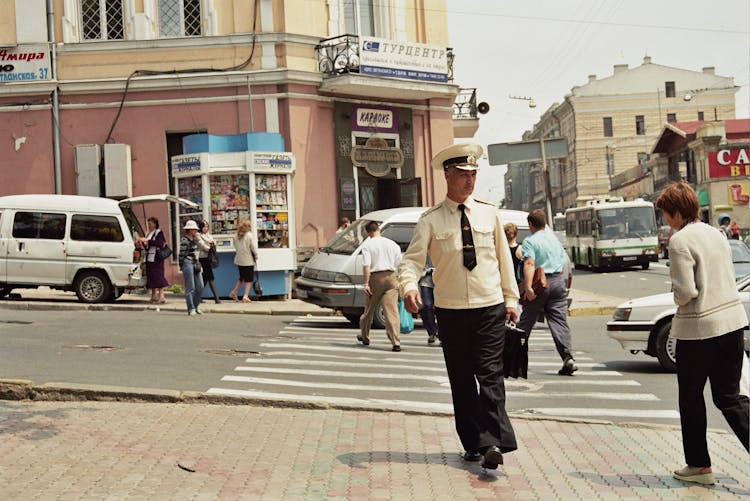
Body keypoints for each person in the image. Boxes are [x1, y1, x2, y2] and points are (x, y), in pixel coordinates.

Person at [398, 142, 520, 471]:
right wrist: (409, 287)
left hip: (489, 306)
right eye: (463, 174)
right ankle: (472, 443)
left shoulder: (489, 213)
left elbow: (504, 259)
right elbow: (410, 263)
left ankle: (492, 442)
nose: (470, 180)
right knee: (462, 379)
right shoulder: (431, 221)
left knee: (491, 375)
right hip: (451, 312)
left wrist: (512, 299)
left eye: (474, 174)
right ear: (447, 175)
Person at [655, 181, 749, 485]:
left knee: (691, 397)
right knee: (730, 397)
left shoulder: (679, 241)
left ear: (676, 212)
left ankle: (699, 465)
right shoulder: (717, 234)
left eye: (666, 214)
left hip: (699, 331)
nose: (666, 221)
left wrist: (675, 295)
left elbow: (686, 292)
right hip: (732, 323)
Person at [517, 209, 577, 376]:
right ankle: (568, 357)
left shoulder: (530, 241)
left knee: (525, 324)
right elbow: (564, 261)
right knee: (559, 321)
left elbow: (529, 263)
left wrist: (528, 287)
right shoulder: (555, 240)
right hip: (558, 282)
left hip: (539, 284)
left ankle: (514, 360)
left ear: (530, 224)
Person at [357, 221, 402, 351]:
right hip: (392, 277)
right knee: (391, 311)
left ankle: (365, 336)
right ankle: (396, 341)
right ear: (379, 229)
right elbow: (399, 264)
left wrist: (366, 283)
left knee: (369, 309)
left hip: (375, 278)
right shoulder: (392, 244)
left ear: (368, 232)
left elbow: (366, 265)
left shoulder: (368, 244)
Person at [138, 217, 169, 304]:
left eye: (151, 223)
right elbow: (147, 247)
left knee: (158, 276)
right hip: (149, 257)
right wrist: (143, 243)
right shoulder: (148, 233)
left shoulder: (158, 232)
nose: (149, 225)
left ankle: (161, 296)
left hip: (156, 257)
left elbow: (159, 243)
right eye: (148, 223)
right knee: (151, 276)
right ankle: (153, 295)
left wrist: (148, 241)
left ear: (155, 223)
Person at [228, 219, 258, 303]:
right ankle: (245, 296)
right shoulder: (249, 235)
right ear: (247, 227)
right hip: (248, 260)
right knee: (249, 279)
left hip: (239, 260)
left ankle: (234, 292)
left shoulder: (235, 236)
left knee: (242, 278)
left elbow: (235, 247)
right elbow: (253, 247)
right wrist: (256, 256)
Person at [179, 220, 204, 316]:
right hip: (187, 263)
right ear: (189, 230)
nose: (196, 230)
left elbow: (201, 247)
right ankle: (191, 308)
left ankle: (196, 305)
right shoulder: (184, 240)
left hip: (195, 263)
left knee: (200, 286)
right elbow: (181, 254)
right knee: (190, 287)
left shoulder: (195, 239)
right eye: (194, 229)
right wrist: (181, 265)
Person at [197, 220, 221, 304]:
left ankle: (198, 296)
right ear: (200, 227)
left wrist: (211, 246)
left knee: (205, 278)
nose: (205, 228)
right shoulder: (198, 235)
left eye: (207, 226)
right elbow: (202, 246)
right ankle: (216, 298)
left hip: (209, 258)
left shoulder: (209, 235)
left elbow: (213, 244)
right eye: (204, 226)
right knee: (210, 277)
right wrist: (210, 247)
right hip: (203, 258)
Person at [418, 255, 438, 345]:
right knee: (426, 306)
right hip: (425, 280)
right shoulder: (423, 244)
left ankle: (441, 335)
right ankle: (432, 332)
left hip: (440, 280)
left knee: (441, 307)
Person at [503, 222, 524, 287]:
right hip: (516, 283)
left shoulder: (501, 249)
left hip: (503, 282)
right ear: (516, 234)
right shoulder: (520, 249)